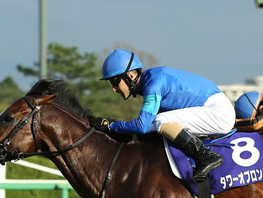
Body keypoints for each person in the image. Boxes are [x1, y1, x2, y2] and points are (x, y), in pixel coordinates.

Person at [91, 49, 234, 180]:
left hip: (218, 113)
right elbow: (147, 127)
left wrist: (110, 126)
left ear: (130, 75)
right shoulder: (151, 79)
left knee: (160, 120)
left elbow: (141, 126)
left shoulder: (154, 84)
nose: (114, 89)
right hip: (212, 109)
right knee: (157, 123)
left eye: (115, 82)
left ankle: (206, 156)